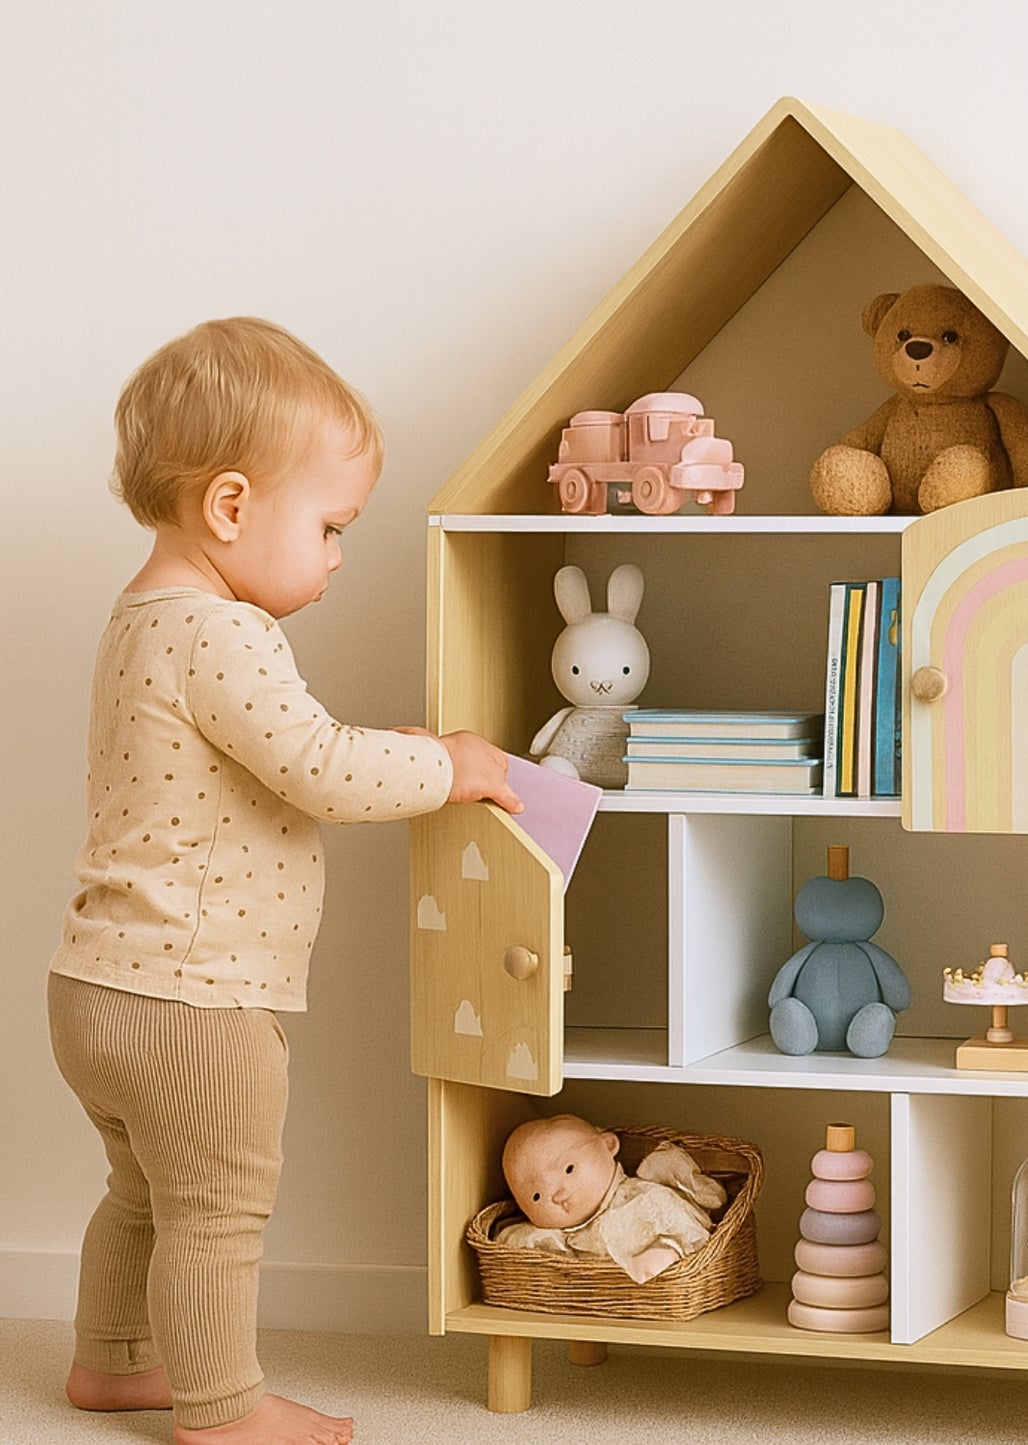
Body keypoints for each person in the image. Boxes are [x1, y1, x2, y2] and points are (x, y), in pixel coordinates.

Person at [47, 316, 522, 1445]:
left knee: (140, 1195)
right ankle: (220, 1408)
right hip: (194, 998)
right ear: (228, 507)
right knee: (215, 1211)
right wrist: (450, 763)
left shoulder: (142, 619)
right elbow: (319, 768)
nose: (338, 553)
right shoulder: (228, 633)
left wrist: (395, 749)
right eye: (329, 526)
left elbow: (279, 754)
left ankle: (113, 1363)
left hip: (96, 984)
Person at [499, 1114, 726, 1283]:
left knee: (663, 1217)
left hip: (640, 1244)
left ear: (608, 1145)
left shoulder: (641, 1200)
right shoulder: (549, 1237)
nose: (557, 1195)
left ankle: (668, 1251)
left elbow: (685, 1225)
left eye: (569, 1169)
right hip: (589, 1291)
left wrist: (668, 1247)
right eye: (536, 1196)